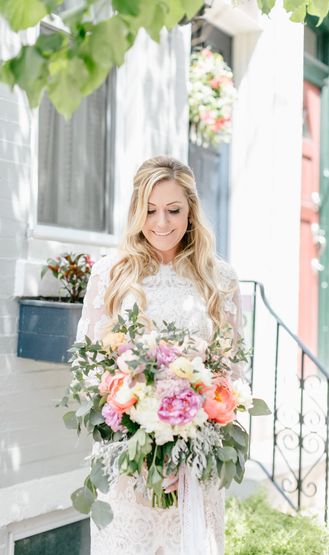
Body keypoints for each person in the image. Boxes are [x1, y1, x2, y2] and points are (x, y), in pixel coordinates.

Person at [76, 155, 246, 555]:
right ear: (137, 210)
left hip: (195, 466)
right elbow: (87, 373)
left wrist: (187, 453)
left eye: (174, 210)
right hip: (125, 467)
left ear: (192, 210)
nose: (162, 223)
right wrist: (140, 449)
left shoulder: (220, 279)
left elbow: (232, 375)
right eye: (150, 210)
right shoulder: (110, 274)